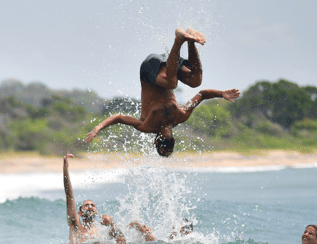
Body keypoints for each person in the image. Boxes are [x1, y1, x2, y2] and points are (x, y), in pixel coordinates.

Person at [85, 28, 242, 157]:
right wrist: (222, 94)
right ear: (174, 140)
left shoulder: (146, 125)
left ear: (156, 141)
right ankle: (190, 39)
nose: (166, 140)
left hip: (149, 69)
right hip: (169, 62)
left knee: (171, 83)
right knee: (195, 81)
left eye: (163, 143)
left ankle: (178, 39)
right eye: (170, 144)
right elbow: (202, 94)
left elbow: (119, 117)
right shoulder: (181, 115)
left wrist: (98, 128)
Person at [63, 153, 127, 244]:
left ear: (96, 212)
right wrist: (65, 169)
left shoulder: (102, 231)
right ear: (80, 213)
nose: (90, 207)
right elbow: (69, 195)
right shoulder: (75, 226)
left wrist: (112, 224)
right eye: (86, 205)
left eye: (92, 205)